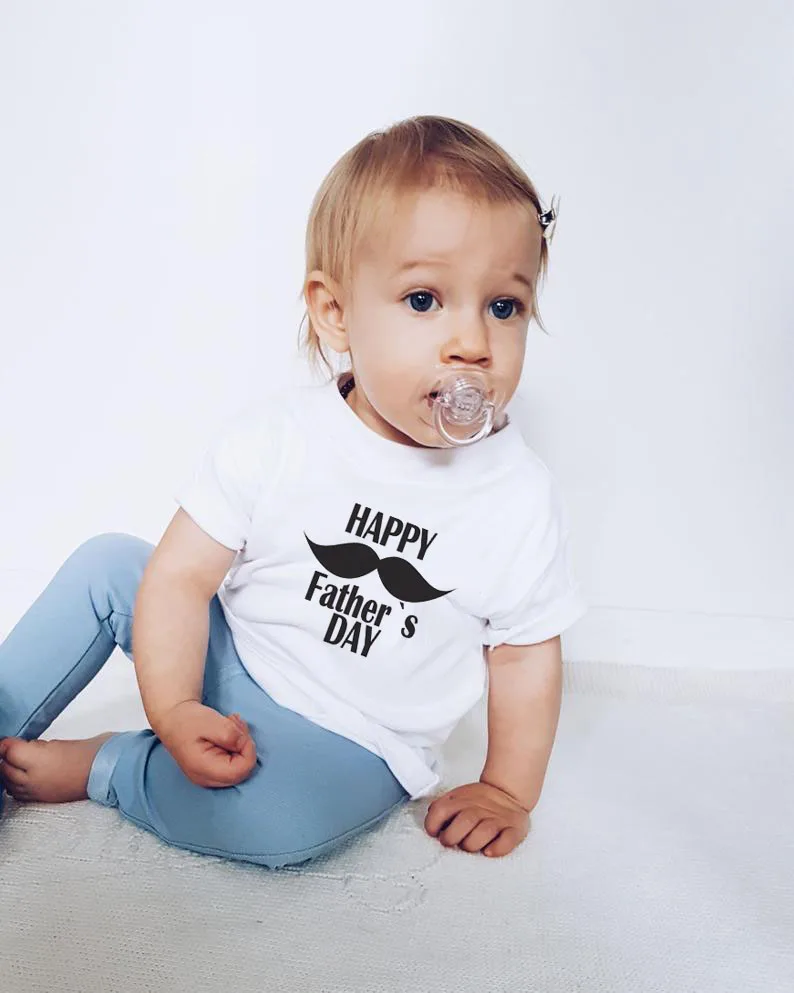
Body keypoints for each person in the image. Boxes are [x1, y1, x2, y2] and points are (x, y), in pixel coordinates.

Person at [0, 114, 587, 868]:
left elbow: (524, 654)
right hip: (231, 658)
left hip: (354, 743)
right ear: (335, 312)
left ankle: (111, 766)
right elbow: (181, 579)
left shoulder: (515, 496)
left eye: (503, 306)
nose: (472, 343)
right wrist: (176, 706)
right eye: (423, 300)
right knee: (107, 566)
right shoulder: (279, 438)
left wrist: (507, 789)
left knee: (280, 824)